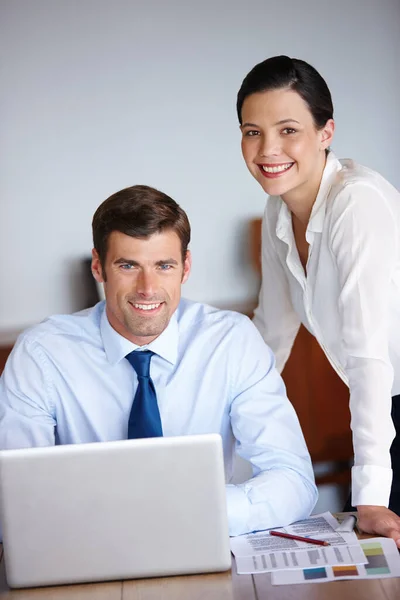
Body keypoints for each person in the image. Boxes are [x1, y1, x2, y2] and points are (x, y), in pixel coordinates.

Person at [0, 184, 317, 537]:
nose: (147, 288)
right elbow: (15, 498)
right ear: (98, 267)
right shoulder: (41, 355)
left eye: (164, 265)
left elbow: (294, 480)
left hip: (202, 537)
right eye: (128, 265)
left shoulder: (231, 341)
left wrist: (194, 513)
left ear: (186, 267)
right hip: (86, 551)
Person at [236, 54, 400, 546]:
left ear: (325, 132)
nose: (268, 149)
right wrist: (223, 451)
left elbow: (369, 353)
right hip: (386, 403)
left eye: (288, 129)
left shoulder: (357, 202)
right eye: (252, 132)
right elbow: (271, 334)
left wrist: (369, 494)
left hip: (387, 393)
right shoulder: (277, 210)